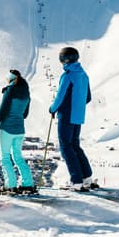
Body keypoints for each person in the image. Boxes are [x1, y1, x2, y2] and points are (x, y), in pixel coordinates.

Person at [49, 46, 94, 190]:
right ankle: (87, 178)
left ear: (64, 59)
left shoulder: (68, 75)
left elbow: (60, 96)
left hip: (66, 114)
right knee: (75, 145)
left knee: (66, 147)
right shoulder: (83, 74)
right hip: (78, 115)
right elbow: (88, 97)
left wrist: (52, 109)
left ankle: (76, 181)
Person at [0, 69, 35, 194]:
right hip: (20, 130)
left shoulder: (9, 91)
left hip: (7, 129)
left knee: (5, 158)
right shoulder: (27, 94)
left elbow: (2, 113)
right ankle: (27, 184)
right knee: (18, 157)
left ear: (10, 80)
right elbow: (25, 114)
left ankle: (10, 185)